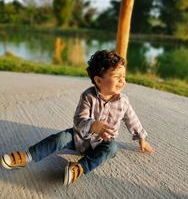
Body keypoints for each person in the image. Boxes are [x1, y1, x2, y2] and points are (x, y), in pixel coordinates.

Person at [1, 50, 154, 186]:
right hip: (80, 137)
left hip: (103, 142)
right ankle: (27, 156)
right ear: (99, 80)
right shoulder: (88, 96)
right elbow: (79, 120)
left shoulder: (123, 101)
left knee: (113, 148)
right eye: (117, 76)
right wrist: (93, 125)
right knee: (59, 138)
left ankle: (80, 167)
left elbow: (131, 119)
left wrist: (141, 137)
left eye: (123, 76)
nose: (122, 80)